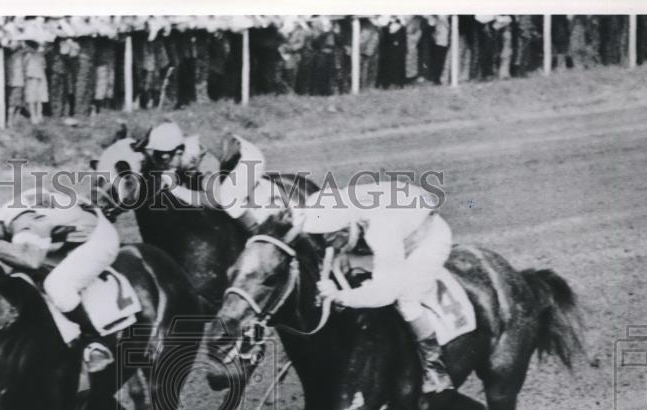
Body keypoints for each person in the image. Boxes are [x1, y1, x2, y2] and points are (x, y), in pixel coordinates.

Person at [294, 180, 455, 394]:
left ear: (346, 227)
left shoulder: (380, 233)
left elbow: (386, 293)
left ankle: (436, 369)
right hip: (402, 225)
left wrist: (341, 296)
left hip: (427, 240)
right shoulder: (339, 209)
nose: (328, 244)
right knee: (345, 264)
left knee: (407, 299)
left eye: (331, 237)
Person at [0, 184, 121, 371]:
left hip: (98, 237)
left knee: (56, 286)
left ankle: (94, 340)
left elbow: (31, 260)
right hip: (67, 231)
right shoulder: (1, 219)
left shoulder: (23, 220)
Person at [142, 121, 278, 232]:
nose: (161, 165)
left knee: (228, 200)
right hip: (227, 156)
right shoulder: (183, 153)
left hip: (249, 158)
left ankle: (259, 233)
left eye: (163, 160)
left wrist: (176, 189)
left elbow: (214, 200)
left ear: (178, 152)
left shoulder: (205, 161)